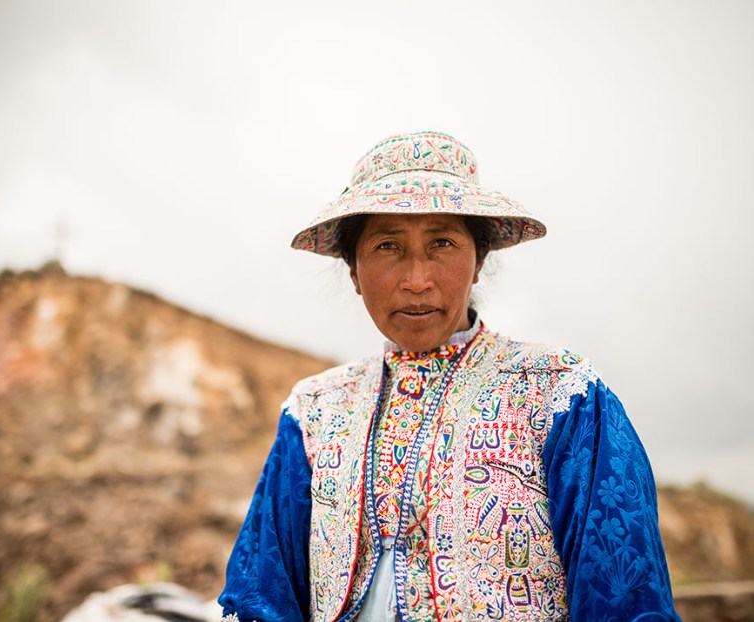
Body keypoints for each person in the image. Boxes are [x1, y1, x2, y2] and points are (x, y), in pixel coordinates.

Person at [218, 131, 679, 621]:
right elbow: (259, 596)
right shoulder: (315, 412)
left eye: (442, 242)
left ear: (478, 261)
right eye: (387, 245)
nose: (417, 279)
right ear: (354, 271)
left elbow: (625, 596)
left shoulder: (560, 393)